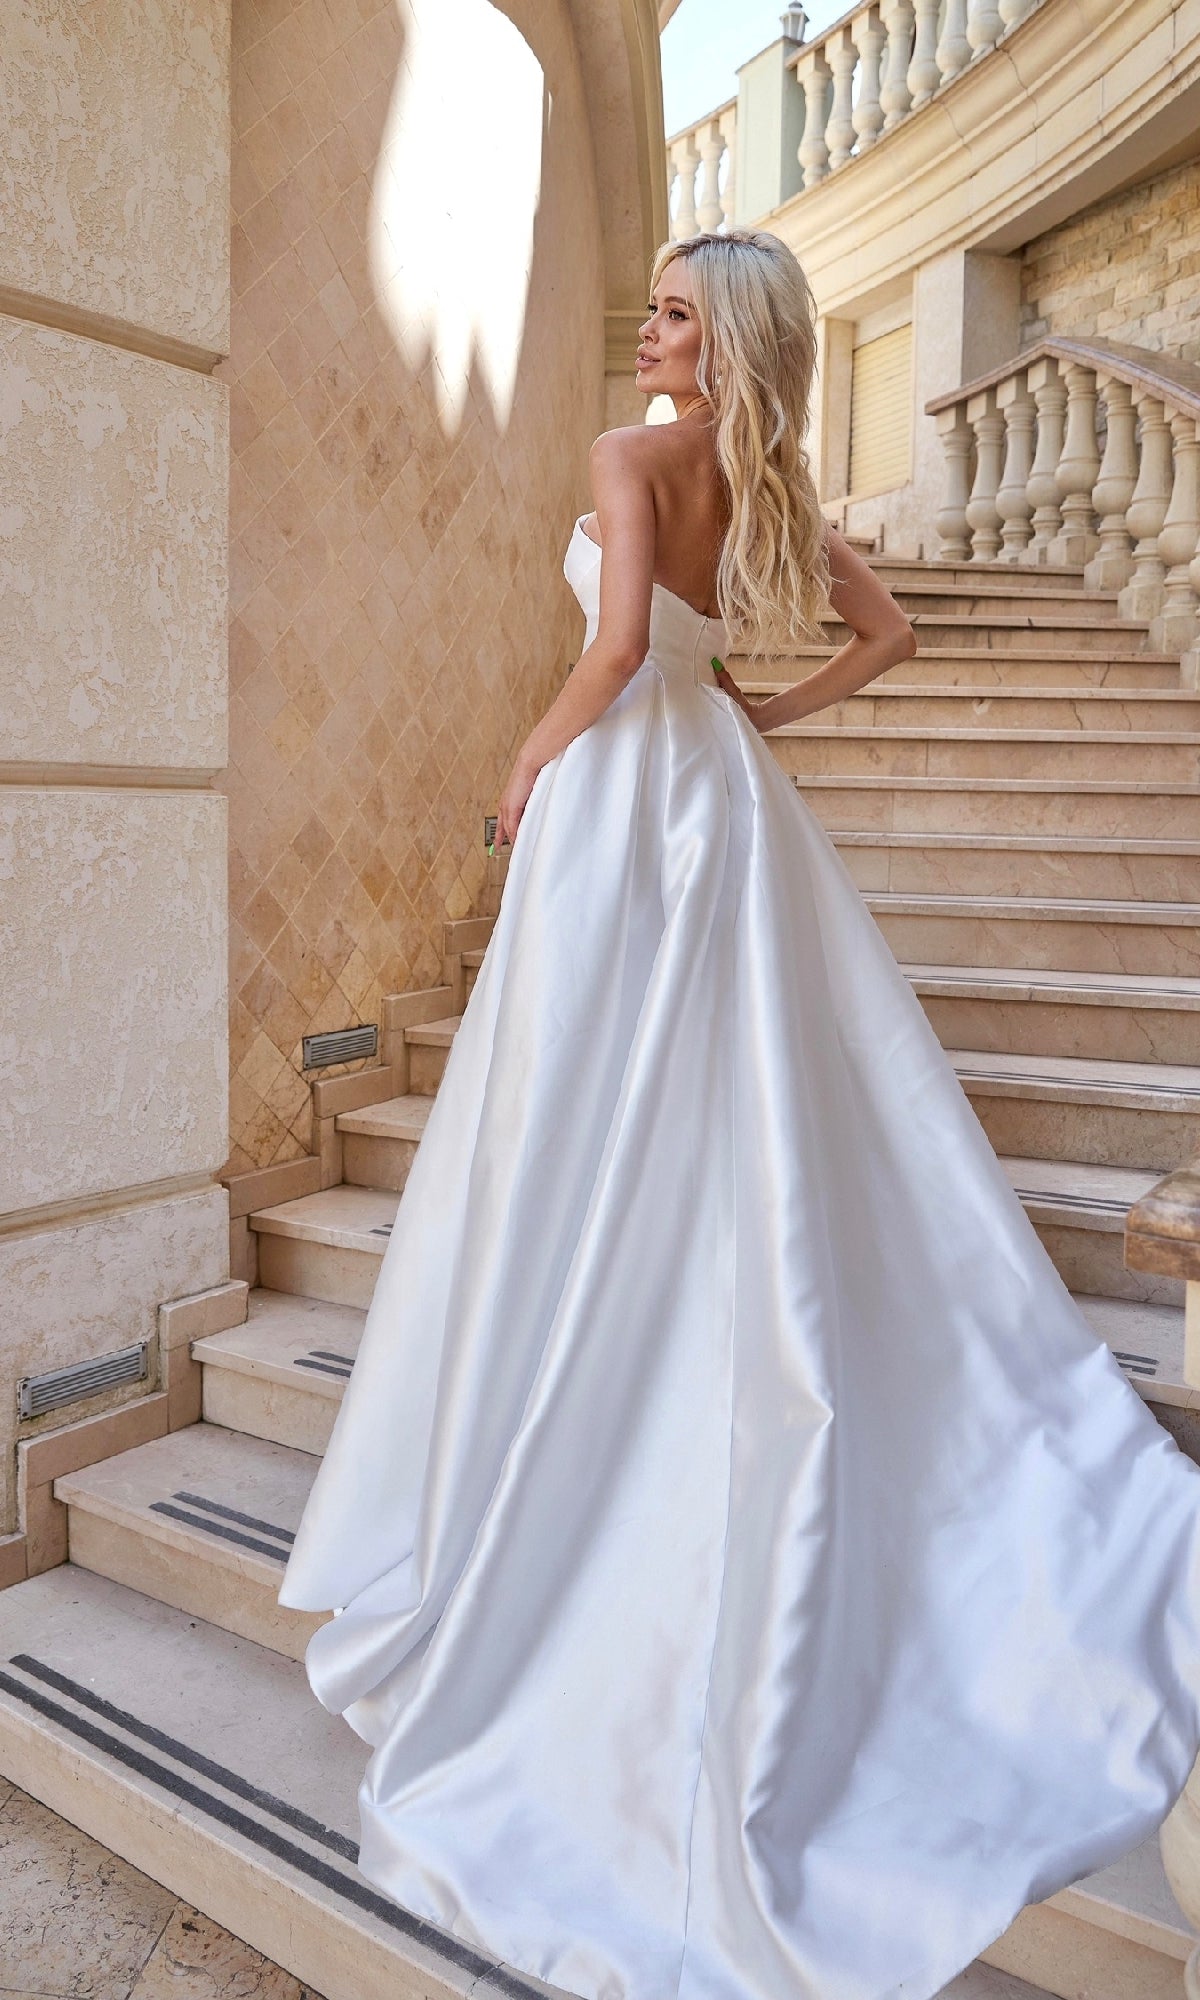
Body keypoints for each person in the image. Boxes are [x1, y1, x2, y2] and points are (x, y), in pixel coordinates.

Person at [277, 229, 1200, 2000]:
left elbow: (620, 646)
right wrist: (761, 708)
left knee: (598, 1114)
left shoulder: (636, 459)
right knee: (720, 1106)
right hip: (726, 796)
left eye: (680, 309)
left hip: (632, 801)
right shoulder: (759, 472)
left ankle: (602, 1371)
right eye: (655, 302)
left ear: (730, 335)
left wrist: (526, 763)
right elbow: (890, 630)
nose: (651, 323)